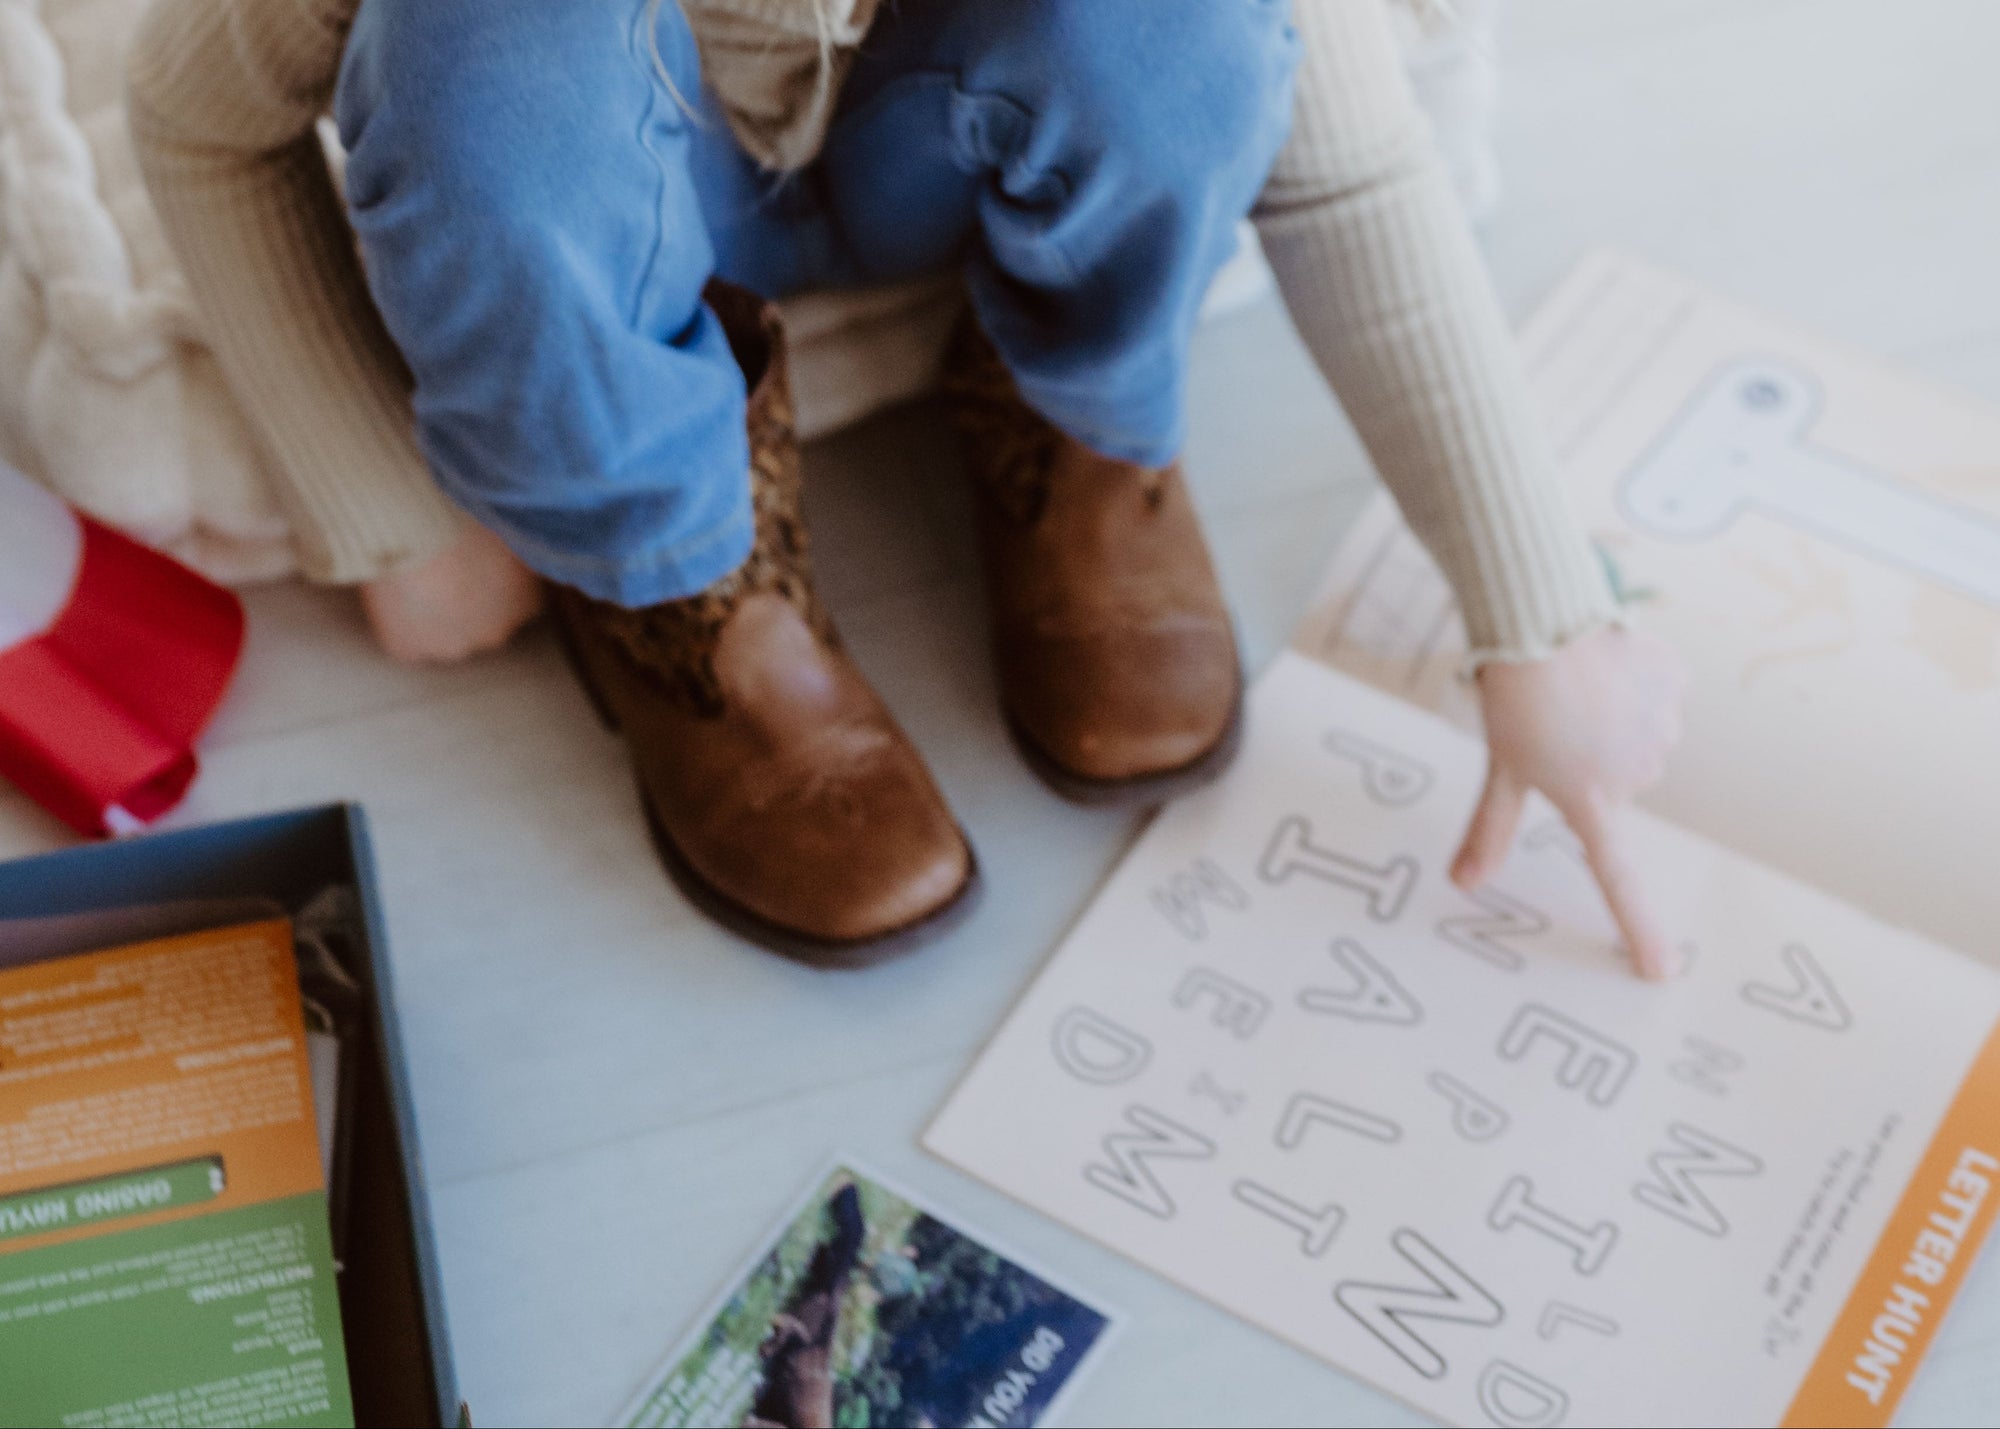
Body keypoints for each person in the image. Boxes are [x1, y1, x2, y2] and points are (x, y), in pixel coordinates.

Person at [128, 0, 1684, 972]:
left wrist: (1534, 609)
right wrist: (386, 508)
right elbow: (198, 122)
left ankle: (1079, 420)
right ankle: (678, 583)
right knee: (488, 68)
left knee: (1178, 31)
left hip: (943, 132)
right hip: (617, 186)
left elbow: (1345, 170)